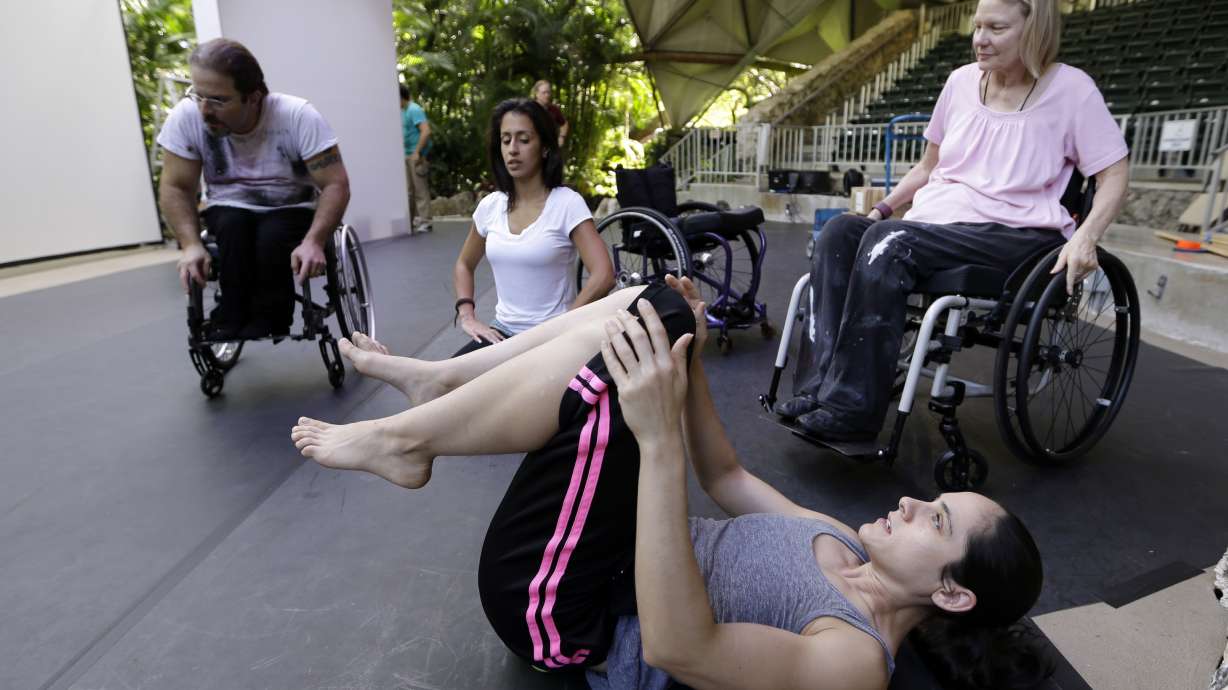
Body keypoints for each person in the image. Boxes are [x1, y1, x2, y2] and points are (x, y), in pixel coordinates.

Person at [291, 276, 1052, 690]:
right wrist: (683, 360)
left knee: (625, 356)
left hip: (563, 615)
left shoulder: (853, 661)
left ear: (952, 594)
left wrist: (657, 436)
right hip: (608, 549)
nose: (915, 501)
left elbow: (681, 646)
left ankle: (406, 440)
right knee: (649, 309)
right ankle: (438, 382)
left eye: (937, 523)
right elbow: (725, 474)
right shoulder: (841, 541)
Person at [776, 0, 1130, 441]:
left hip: (1016, 235)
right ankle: (817, 389)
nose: (980, 38)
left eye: (996, 28)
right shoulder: (960, 82)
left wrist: (1087, 236)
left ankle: (852, 409)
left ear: (1034, 29)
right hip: (933, 226)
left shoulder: (1072, 90)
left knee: (890, 242)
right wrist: (880, 209)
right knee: (841, 231)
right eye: (977, 26)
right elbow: (928, 167)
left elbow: (1113, 173)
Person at [158, 38, 350, 340]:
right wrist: (191, 244)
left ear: (254, 97)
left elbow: (335, 184)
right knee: (232, 229)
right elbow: (175, 186)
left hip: (291, 206)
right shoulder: (187, 117)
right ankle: (230, 318)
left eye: (219, 100)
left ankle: (271, 318)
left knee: (272, 237)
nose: (205, 110)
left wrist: (314, 241)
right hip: (228, 205)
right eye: (198, 95)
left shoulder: (297, 116)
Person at [451, 98, 614, 357]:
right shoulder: (490, 206)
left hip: (553, 339)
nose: (512, 149)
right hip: (502, 334)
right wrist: (467, 315)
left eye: (523, 139)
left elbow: (603, 274)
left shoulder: (566, 203)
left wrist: (565, 326)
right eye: (506, 140)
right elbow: (464, 264)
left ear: (545, 148)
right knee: (449, 380)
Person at [400, 84, 433, 234]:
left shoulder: (414, 109)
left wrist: (417, 152)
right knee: (408, 190)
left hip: (416, 156)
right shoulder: (401, 111)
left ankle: (426, 221)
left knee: (420, 188)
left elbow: (426, 131)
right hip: (405, 155)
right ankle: (411, 221)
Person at [532, 79, 569, 148]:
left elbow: (564, 123)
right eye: (544, 93)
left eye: (548, 93)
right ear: (536, 93)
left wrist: (561, 137)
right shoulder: (529, 108)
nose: (547, 95)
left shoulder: (554, 109)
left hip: (550, 147)